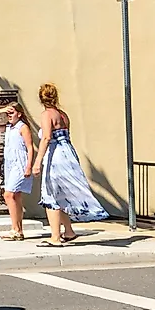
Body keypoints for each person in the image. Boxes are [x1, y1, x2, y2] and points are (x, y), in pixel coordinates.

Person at [33, 82, 104, 246]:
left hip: (55, 155)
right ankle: (69, 231)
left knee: (50, 195)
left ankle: (55, 237)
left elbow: (46, 138)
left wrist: (38, 162)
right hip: (68, 153)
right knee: (62, 194)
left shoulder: (47, 115)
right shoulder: (63, 115)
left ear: (41, 99)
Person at [0, 105, 35, 241]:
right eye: (7, 113)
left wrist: (28, 166)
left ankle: (15, 228)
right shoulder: (8, 128)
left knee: (8, 195)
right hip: (10, 163)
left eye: (12, 113)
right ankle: (18, 230)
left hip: (20, 163)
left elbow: (30, 147)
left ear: (19, 114)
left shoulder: (22, 127)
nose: (9, 115)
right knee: (16, 196)